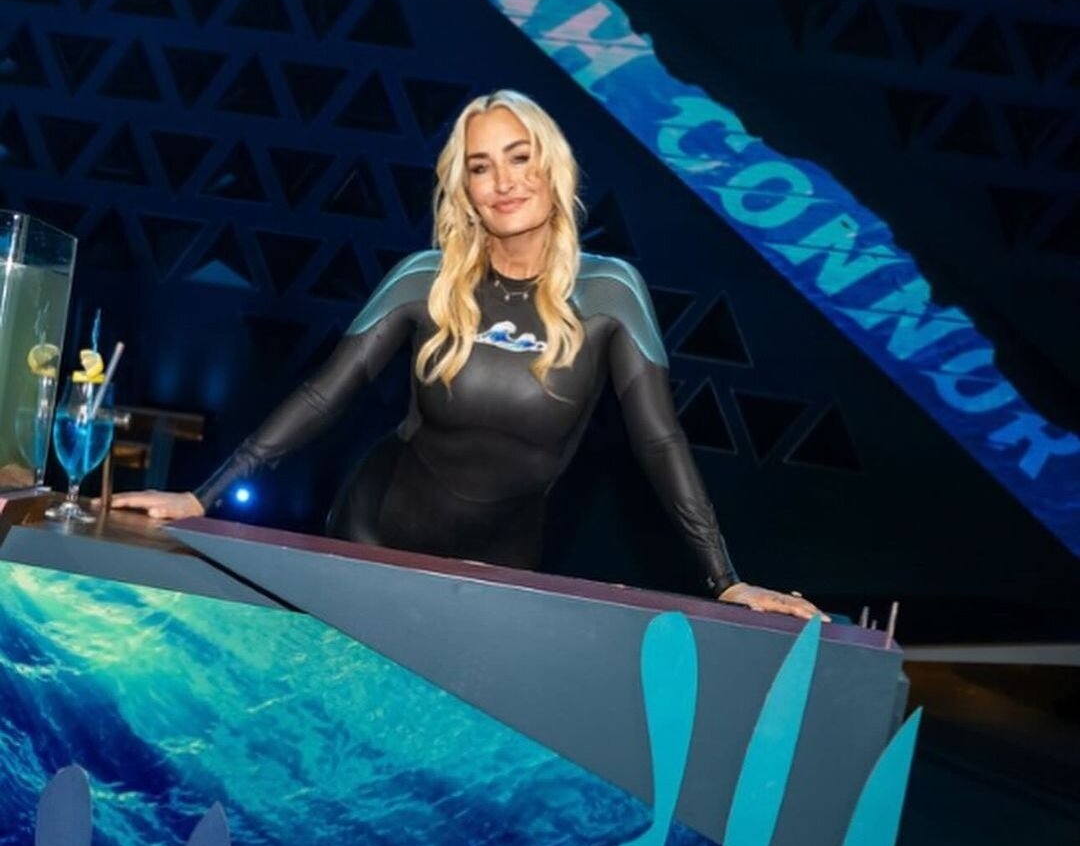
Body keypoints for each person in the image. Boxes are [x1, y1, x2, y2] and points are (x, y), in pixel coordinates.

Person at [111, 91, 825, 622]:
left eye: (519, 157)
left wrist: (724, 578)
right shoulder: (426, 278)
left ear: (551, 167)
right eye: (481, 167)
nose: (504, 180)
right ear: (466, 192)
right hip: (373, 536)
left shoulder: (610, 292)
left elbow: (660, 440)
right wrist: (202, 495)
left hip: (501, 566)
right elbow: (327, 394)